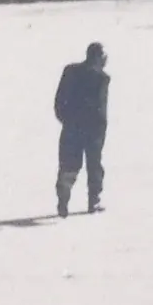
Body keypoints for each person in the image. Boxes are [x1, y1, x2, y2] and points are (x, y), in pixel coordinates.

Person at [51, 42, 110, 217]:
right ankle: (94, 200)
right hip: (92, 129)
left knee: (69, 165)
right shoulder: (102, 78)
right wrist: (101, 130)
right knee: (94, 165)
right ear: (99, 58)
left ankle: (63, 198)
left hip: (72, 126)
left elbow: (59, 100)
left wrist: (66, 119)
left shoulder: (70, 71)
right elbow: (101, 108)